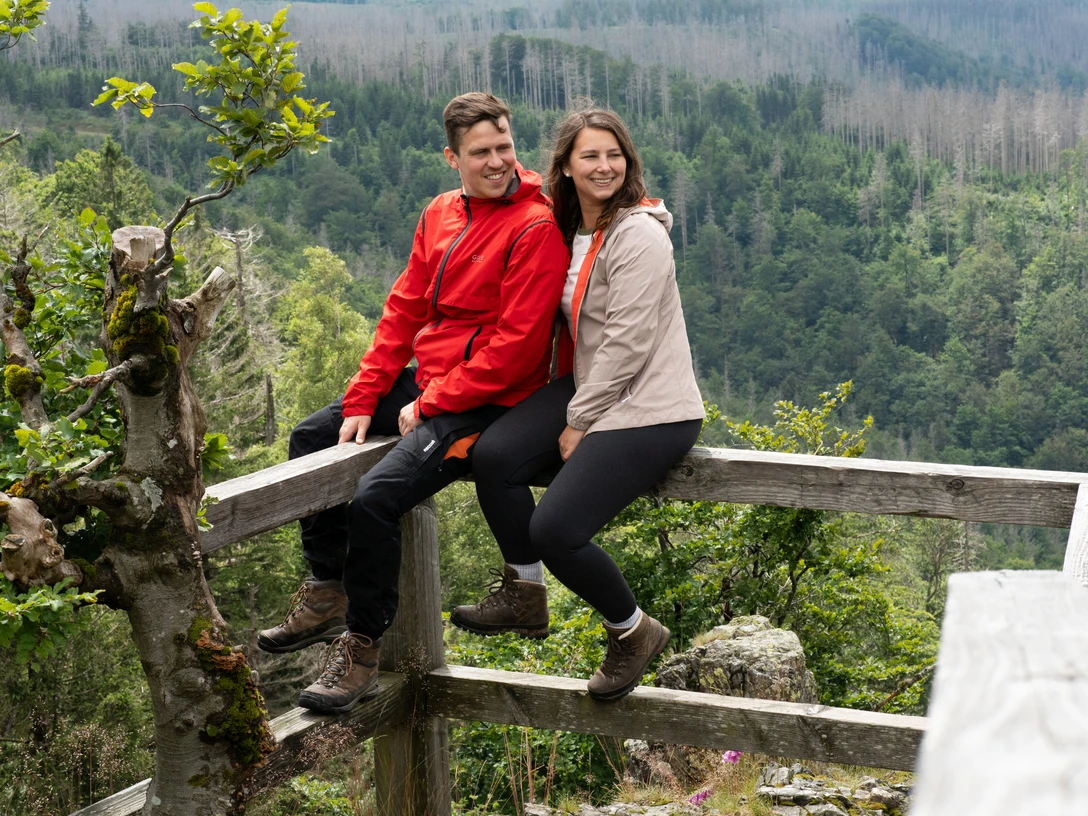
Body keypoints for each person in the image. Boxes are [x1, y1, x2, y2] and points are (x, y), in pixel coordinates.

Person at [258, 92, 568, 714]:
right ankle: (326, 589)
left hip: (488, 397)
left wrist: (433, 403)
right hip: (431, 378)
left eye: (504, 146)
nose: (497, 161)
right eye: (481, 152)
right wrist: (364, 396)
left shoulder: (536, 225)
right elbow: (404, 308)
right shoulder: (440, 213)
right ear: (452, 157)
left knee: (376, 498)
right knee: (311, 438)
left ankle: (363, 646)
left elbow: (516, 347)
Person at [452, 108, 705, 702]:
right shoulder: (573, 229)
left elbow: (628, 339)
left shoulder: (638, 234)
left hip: (651, 406)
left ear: (628, 162)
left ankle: (632, 630)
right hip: (595, 384)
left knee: (556, 527)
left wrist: (578, 420)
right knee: (494, 456)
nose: (604, 166)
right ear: (564, 165)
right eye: (589, 155)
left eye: (614, 154)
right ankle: (524, 594)